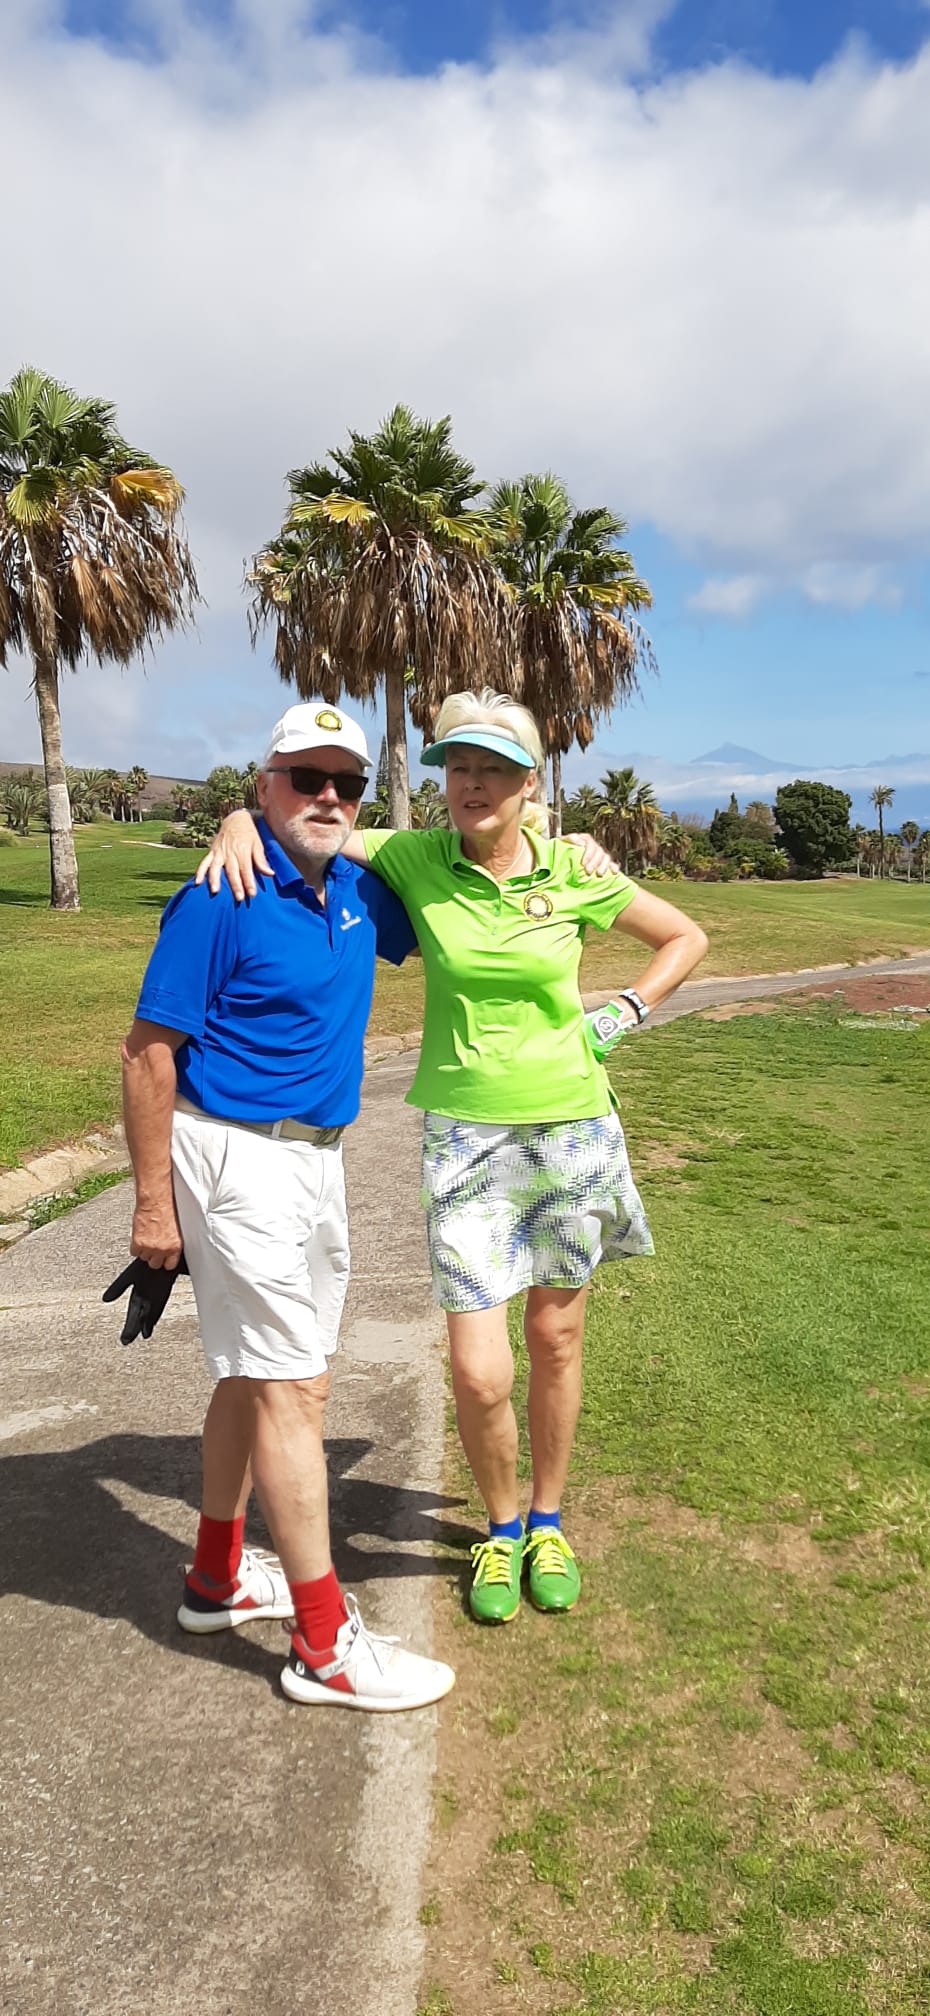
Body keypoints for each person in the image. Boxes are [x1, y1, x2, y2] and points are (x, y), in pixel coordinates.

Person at [200, 690, 708, 1626]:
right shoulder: (418, 856)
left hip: (570, 1129)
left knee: (556, 1339)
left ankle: (545, 1523)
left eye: (493, 770)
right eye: (458, 768)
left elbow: (685, 936)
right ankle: (501, 1528)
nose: (471, 784)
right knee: (480, 1368)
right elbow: (307, 827)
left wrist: (621, 1013)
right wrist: (237, 813)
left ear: (527, 784)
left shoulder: (570, 868)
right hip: (467, 1140)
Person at [120, 700, 456, 1711]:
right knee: (288, 1393)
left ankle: (216, 1578)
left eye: (344, 783)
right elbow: (147, 1055)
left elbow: (441, 850)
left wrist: (270, 812)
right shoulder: (220, 894)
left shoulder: (353, 888)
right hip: (235, 1161)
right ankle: (323, 1645)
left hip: (315, 1164)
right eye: (302, 778)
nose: (327, 797)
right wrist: (151, 1210)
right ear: (267, 782)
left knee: (258, 1377)